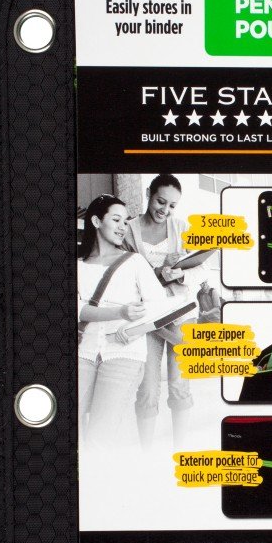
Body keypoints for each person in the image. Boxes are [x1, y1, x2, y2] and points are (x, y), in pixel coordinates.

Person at [77, 195, 166, 448]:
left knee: (99, 436)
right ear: (96, 221)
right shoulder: (78, 266)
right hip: (84, 351)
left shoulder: (135, 262)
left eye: (126, 222)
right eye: (116, 220)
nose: (122, 227)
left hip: (124, 354)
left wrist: (133, 328)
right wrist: (121, 313)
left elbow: (159, 306)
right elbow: (78, 309)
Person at [124, 174, 198, 448]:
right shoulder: (128, 230)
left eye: (172, 205)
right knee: (147, 387)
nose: (164, 210)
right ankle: (147, 455)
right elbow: (122, 273)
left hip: (180, 315)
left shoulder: (182, 227)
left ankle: (180, 451)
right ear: (148, 194)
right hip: (147, 317)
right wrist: (155, 272)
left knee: (179, 384)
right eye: (160, 201)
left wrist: (181, 274)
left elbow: (201, 268)